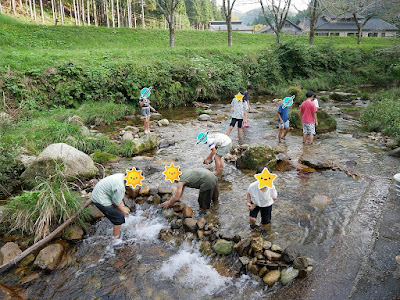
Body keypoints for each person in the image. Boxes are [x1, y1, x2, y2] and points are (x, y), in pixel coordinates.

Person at [91, 173, 131, 240]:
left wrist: (121, 204)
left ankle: (116, 224)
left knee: (119, 209)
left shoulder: (121, 176)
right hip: (100, 200)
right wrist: (123, 210)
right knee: (119, 217)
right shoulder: (120, 187)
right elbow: (115, 203)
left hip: (98, 193)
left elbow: (116, 194)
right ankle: (115, 238)